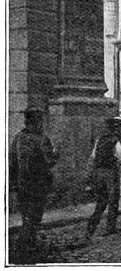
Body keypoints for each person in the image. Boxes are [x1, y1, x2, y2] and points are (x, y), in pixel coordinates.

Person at [9, 106, 60, 255]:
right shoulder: (42, 139)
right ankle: (25, 246)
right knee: (35, 217)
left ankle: (25, 246)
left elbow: (12, 162)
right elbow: (48, 160)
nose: (41, 124)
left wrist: (13, 184)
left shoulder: (18, 137)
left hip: (22, 185)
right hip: (37, 184)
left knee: (27, 217)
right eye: (40, 121)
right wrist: (56, 155)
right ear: (36, 121)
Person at [86, 117, 121, 239]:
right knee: (113, 201)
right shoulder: (115, 141)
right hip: (110, 173)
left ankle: (92, 225)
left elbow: (93, 156)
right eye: (118, 127)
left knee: (101, 201)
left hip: (98, 173)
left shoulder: (100, 139)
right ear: (115, 128)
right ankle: (111, 227)